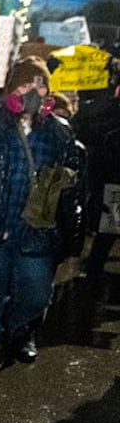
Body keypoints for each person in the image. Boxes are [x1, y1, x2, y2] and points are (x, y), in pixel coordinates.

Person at [0, 56, 82, 404]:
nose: (32, 91)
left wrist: (72, 226)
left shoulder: (58, 132)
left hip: (37, 236)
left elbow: (72, 184)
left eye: (40, 84)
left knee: (36, 297)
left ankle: (9, 333)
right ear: (11, 89)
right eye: (25, 83)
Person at [74, 91, 120, 281]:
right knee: (108, 232)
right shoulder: (111, 130)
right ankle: (94, 270)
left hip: (115, 186)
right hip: (116, 186)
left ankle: (94, 270)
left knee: (108, 232)